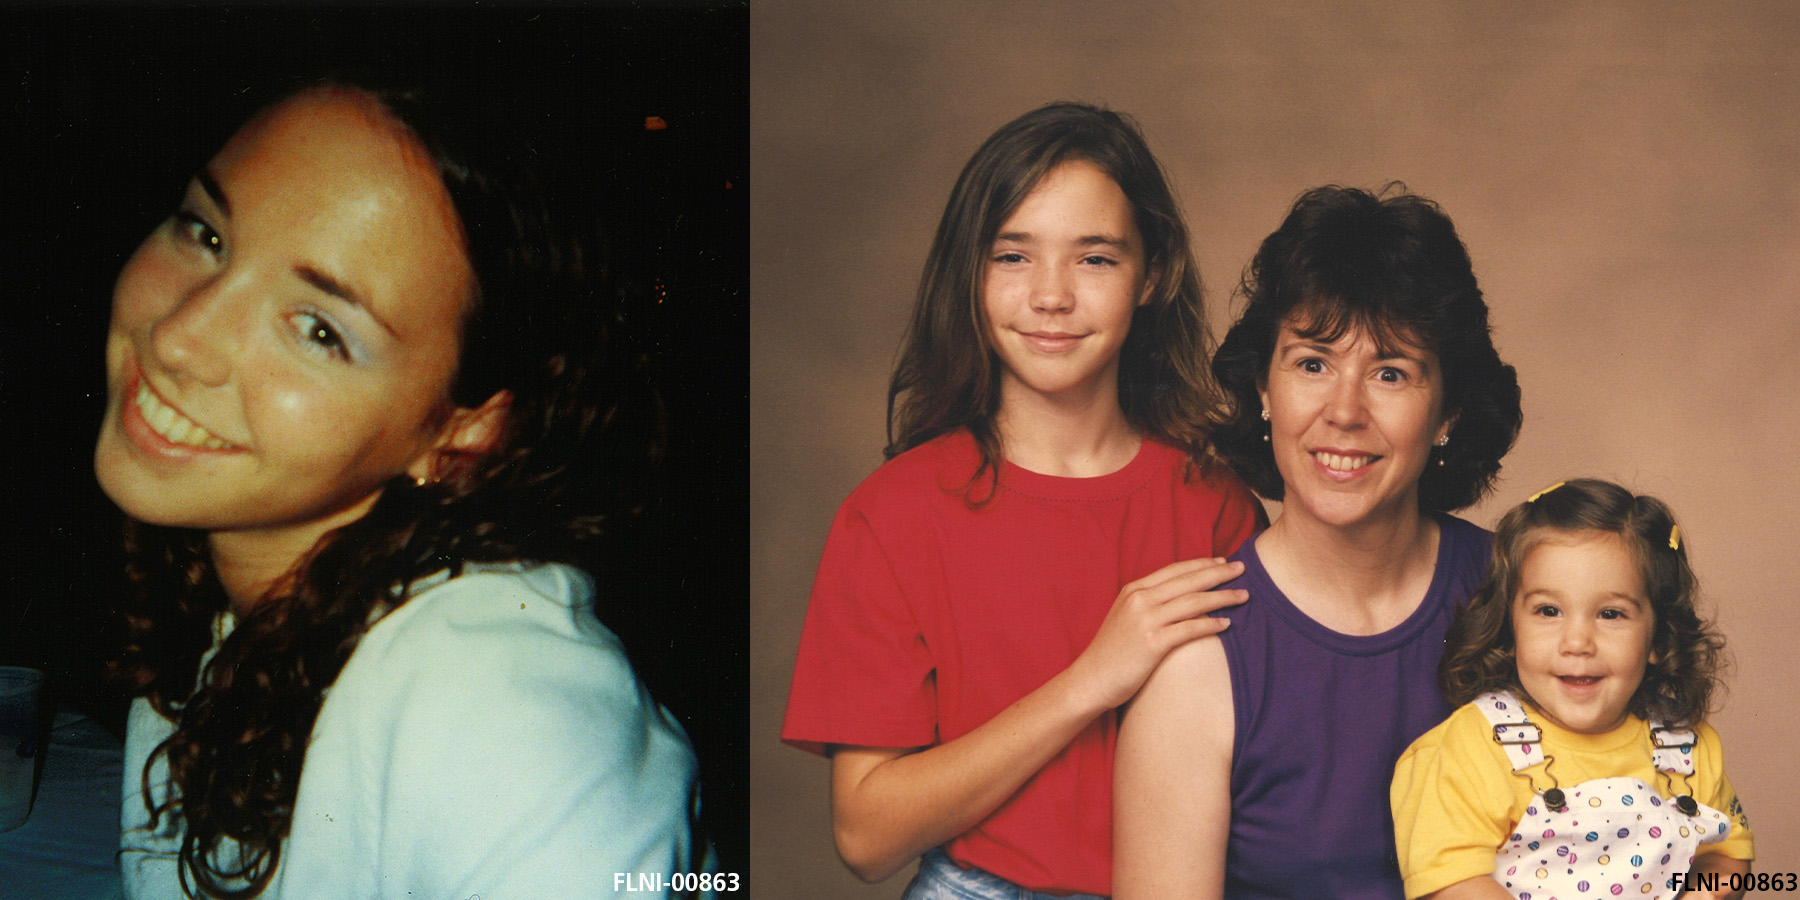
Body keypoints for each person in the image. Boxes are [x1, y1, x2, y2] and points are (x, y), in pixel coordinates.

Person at [93, 80, 706, 898]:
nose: (178, 338)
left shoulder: (507, 714)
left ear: (465, 428)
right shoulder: (242, 618)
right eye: (206, 233)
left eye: (319, 330)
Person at [781, 102, 1263, 898]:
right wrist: (1093, 679)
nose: (1051, 296)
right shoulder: (891, 516)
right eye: (1013, 255)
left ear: (1154, 274)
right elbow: (865, 838)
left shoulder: (1214, 506)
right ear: (969, 274)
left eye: (1095, 259)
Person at [1115, 184, 1524, 899]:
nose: (1344, 411)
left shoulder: (1529, 600)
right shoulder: (1198, 656)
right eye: (1312, 363)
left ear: (1448, 412)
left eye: (1390, 372)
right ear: (1264, 390)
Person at [1391, 479, 1754, 899]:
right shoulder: (1467, 750)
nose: (1577, 642)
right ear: (1509, 628)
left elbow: (1729, 857)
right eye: (1549, 611)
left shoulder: (1687, 747)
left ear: (1659, 639)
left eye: (1610, 614)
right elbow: (1454, 885)